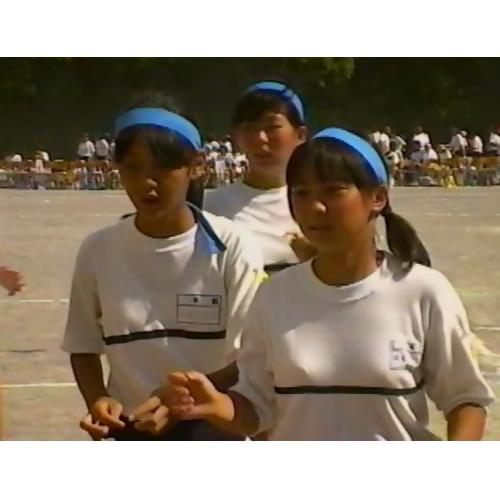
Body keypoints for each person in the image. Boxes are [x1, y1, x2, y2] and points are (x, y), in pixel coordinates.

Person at [161, 128, 494, 440]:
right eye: (301, 193)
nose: (315, 207)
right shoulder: (275, 296)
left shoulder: (423, 291)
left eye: (333, 191)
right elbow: (256, 408)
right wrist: (216, 405)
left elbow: (466, 400)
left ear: (377, 198)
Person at [61, 92, 264, 441]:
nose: (147, 182)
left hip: (213, 428)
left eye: (163, 167)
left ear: (197, 166)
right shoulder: (98, 250)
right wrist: (98, 399)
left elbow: (253, 356)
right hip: (130, 429)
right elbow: (83, 345)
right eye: (133, 168)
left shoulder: (233, 246)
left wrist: (181, 401)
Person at [204, 81, 311, 273]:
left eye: (272, 127)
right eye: (249, 128)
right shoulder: (208, 207)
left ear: (300, 135)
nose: (260, 138)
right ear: (236, 137)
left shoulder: (320, 206)